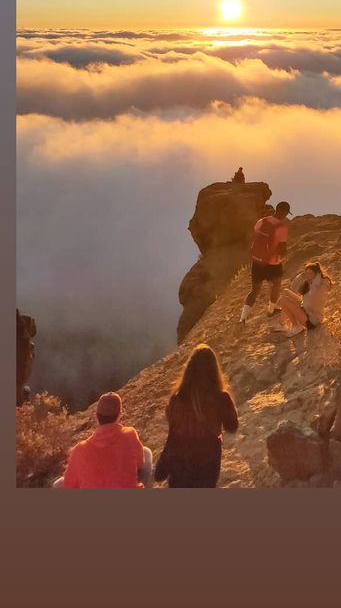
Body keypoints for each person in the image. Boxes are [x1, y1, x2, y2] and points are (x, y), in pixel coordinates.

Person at [154, 343, 238, 488]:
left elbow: (172, 437)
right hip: (208, 462)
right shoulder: (221, 397)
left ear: (189, 370)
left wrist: (162, 468)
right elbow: (231, 427)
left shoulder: (177, 398)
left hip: (180, 465)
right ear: (214, 370)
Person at [53, 391, 153, 489]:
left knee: (58, 484)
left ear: (96, 416)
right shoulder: (130, 435)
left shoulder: (79, 450)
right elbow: (140, 463)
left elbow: (69, 484)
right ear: (119, 415)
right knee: (146, 452)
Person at [239, 200, 292, 323]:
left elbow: (254, 237)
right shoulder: (281, 228)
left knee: (254, 291)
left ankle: (243, 318)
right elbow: (282, 249)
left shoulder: (262, 221)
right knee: (277, 285)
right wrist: (283, 254)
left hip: (257, 261)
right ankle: (271, 310)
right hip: (272, 263)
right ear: (284, 213)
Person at [271, 261, 332, 337]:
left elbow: (314, 294)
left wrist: (317, 277)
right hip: (305, 309)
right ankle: (282, 323)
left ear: (317, 274)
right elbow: (295, 286)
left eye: (310, 274)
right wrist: (302, 276)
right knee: (285, 292)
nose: (307, 276)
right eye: (306, 273)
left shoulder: (320, 284)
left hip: (312, 321)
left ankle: (295, 326)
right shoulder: (309, 283)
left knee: (284, 300)